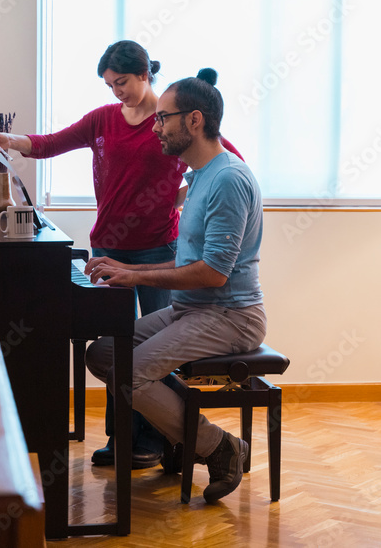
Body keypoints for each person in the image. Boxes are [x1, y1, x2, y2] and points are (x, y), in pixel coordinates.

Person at [0, 41, 241, 469]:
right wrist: (12, 141)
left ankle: (163, 441)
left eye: (121, 82)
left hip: (160, 250)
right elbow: (51, 143)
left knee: (159, 353)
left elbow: (222, 160)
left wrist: (180, 198)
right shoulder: (104, 120)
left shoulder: (172, 124)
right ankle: (121, 437)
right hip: (108, 246)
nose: (115, 91)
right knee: (116, 348)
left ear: (144, 74)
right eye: (109, 84)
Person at [84, 68, 266, 503]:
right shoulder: (200, 176)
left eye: (163, 118)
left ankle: (219, 448)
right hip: (193, 310)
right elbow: (189, 262)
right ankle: (183, 437)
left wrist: (133, 274)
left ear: (194, 121)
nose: (156, 126)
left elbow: (213, 273)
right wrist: (127, 269)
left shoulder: (228, 180)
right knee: (103, 353)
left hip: (231, 315)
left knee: (129, 375)